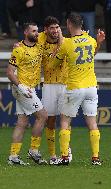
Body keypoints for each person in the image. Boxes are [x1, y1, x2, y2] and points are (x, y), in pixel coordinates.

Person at [51, 12, 105, 166]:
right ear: (82, 24)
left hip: (74, 87)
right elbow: (93, 54)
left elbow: (55, 64)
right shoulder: (91, 40)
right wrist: (99, 42)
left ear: (68, 24)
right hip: (91, 87)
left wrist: (55, 51)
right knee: (92, 123)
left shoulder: (67, 43)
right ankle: (95, 157)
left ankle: (64, 157)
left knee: (65, 121)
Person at [6, 22, 48, 165]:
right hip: (23, 89)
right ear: (25, 32)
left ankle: (13, 156)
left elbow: (50, 33)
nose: (37, 33)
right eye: (33, 31)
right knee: (42, 116)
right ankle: (34, 151)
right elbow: (9, 72)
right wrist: (21, 86)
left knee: (22, 123)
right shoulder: (19, 50)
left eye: (37, 31)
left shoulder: (39, 45)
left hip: (30, 87)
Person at [38, 16, 71, 165]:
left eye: (57, 27)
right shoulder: (40, 39)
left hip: (65, 84)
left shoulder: (65, 41)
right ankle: (52, 154)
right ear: (46, 30)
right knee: (50, 120)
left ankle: (65, 151)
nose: (55, 30)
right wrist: (19, 46)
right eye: (52, 28)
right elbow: (28, 43)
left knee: (65, 119)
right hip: (49, 84)